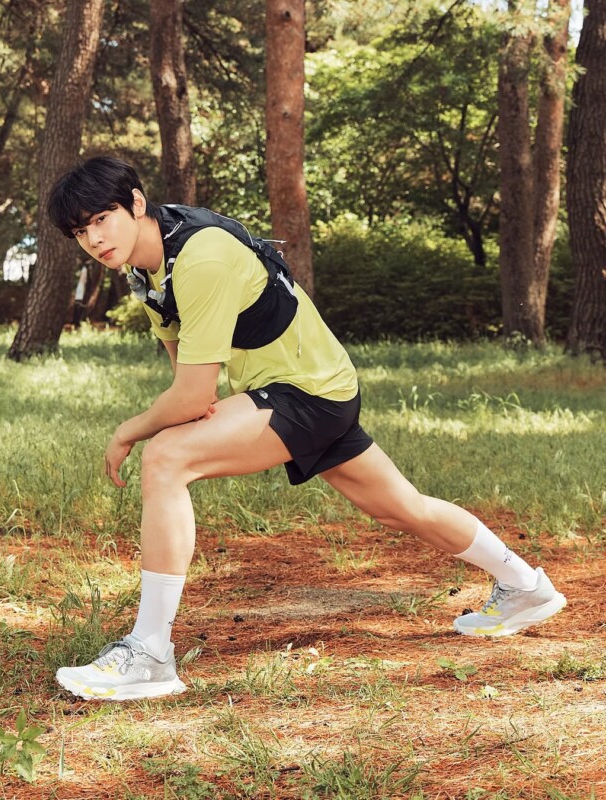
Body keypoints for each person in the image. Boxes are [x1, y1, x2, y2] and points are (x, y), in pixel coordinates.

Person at [47, 156, 566, 702]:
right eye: (80, 231)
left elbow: (194, 396)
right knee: (403, 507)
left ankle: (150, 654)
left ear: (136, 203)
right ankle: (525, 587)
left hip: (307, 392)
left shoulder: (200, 254)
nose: (94, 239)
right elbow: (189, 383)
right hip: (319, 385)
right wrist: (192, 412)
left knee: (165, 457)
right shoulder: (149, 268)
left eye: (101, 218)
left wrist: (130, 430)